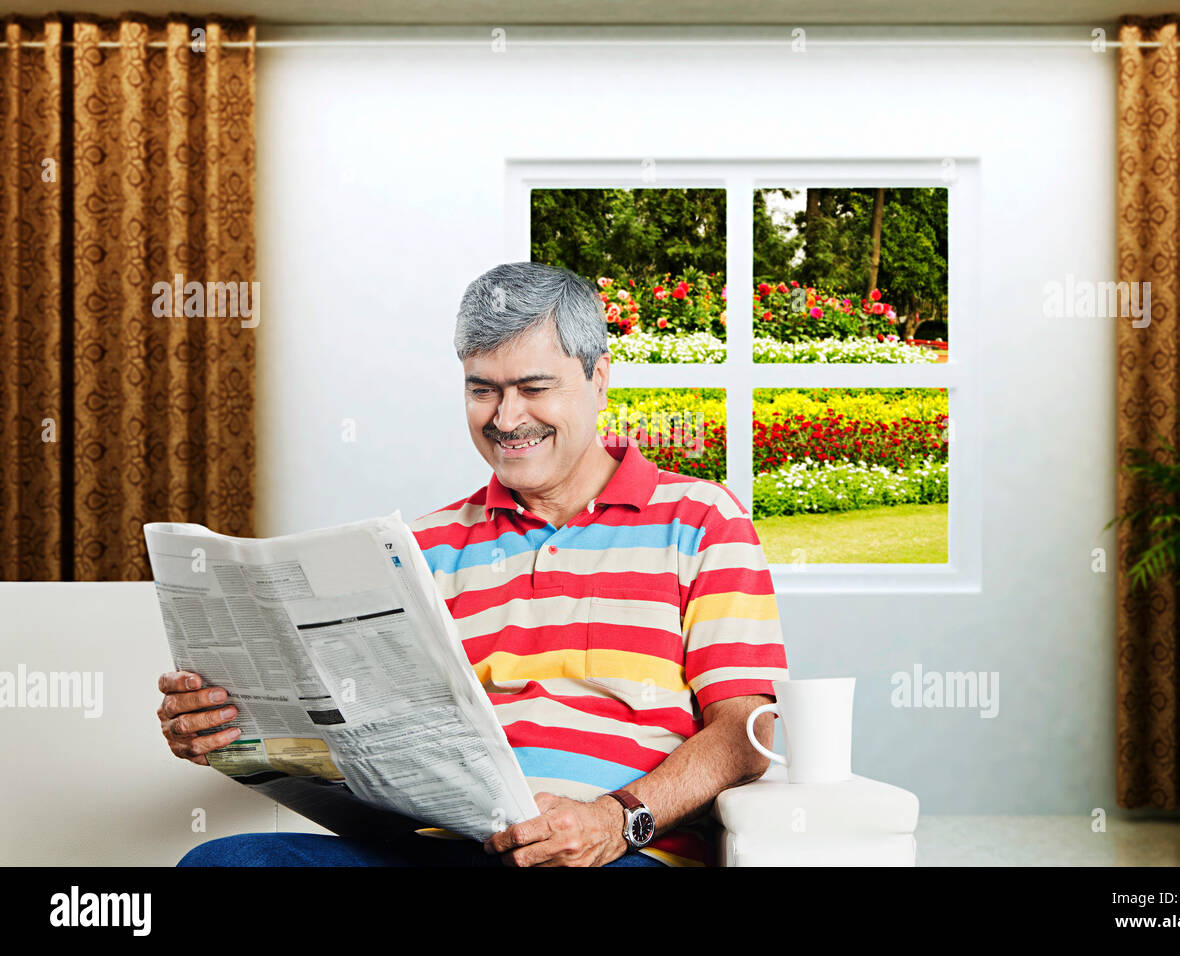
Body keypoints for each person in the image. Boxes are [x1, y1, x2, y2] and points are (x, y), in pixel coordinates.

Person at [158, 261, 789, 867]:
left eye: (534, 389)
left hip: (610, 853)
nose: (507, 418)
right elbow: (366, 750)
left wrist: (616, 820)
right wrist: (233, 734)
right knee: (227, 862)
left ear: (599, 378)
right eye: (482, 390)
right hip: (438, 849)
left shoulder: (701, 519)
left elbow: (746, 730)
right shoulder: (419, 548)